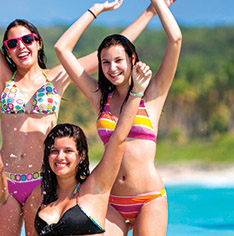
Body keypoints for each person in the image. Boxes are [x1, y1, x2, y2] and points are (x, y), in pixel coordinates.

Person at [0, 0, 173, 234]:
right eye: (12, 43)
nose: (21, 47)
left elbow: (110, 51)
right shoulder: (4, 79)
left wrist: (149, 12)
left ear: (38, 43)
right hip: (6, 177)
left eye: (27, 40)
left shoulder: (57, 77)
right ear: (6, 49)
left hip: (42, 180)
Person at [54, 0, 181, 234]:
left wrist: (157, 3)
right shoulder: (100, 97)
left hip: (148, 199)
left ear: (132, 58)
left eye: (118, 60)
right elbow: (62, 49)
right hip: (110, 200)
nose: (112, 68)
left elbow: (175, 40)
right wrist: (96, 10)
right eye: (105, 63)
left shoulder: (152, 93)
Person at [24, 56, 152, 236]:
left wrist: (136, 93)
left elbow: (118, 138)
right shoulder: (40, 194)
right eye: (54, 151)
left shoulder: (95, 186)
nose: (60, 157)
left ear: (81, 155)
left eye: (68, 151)